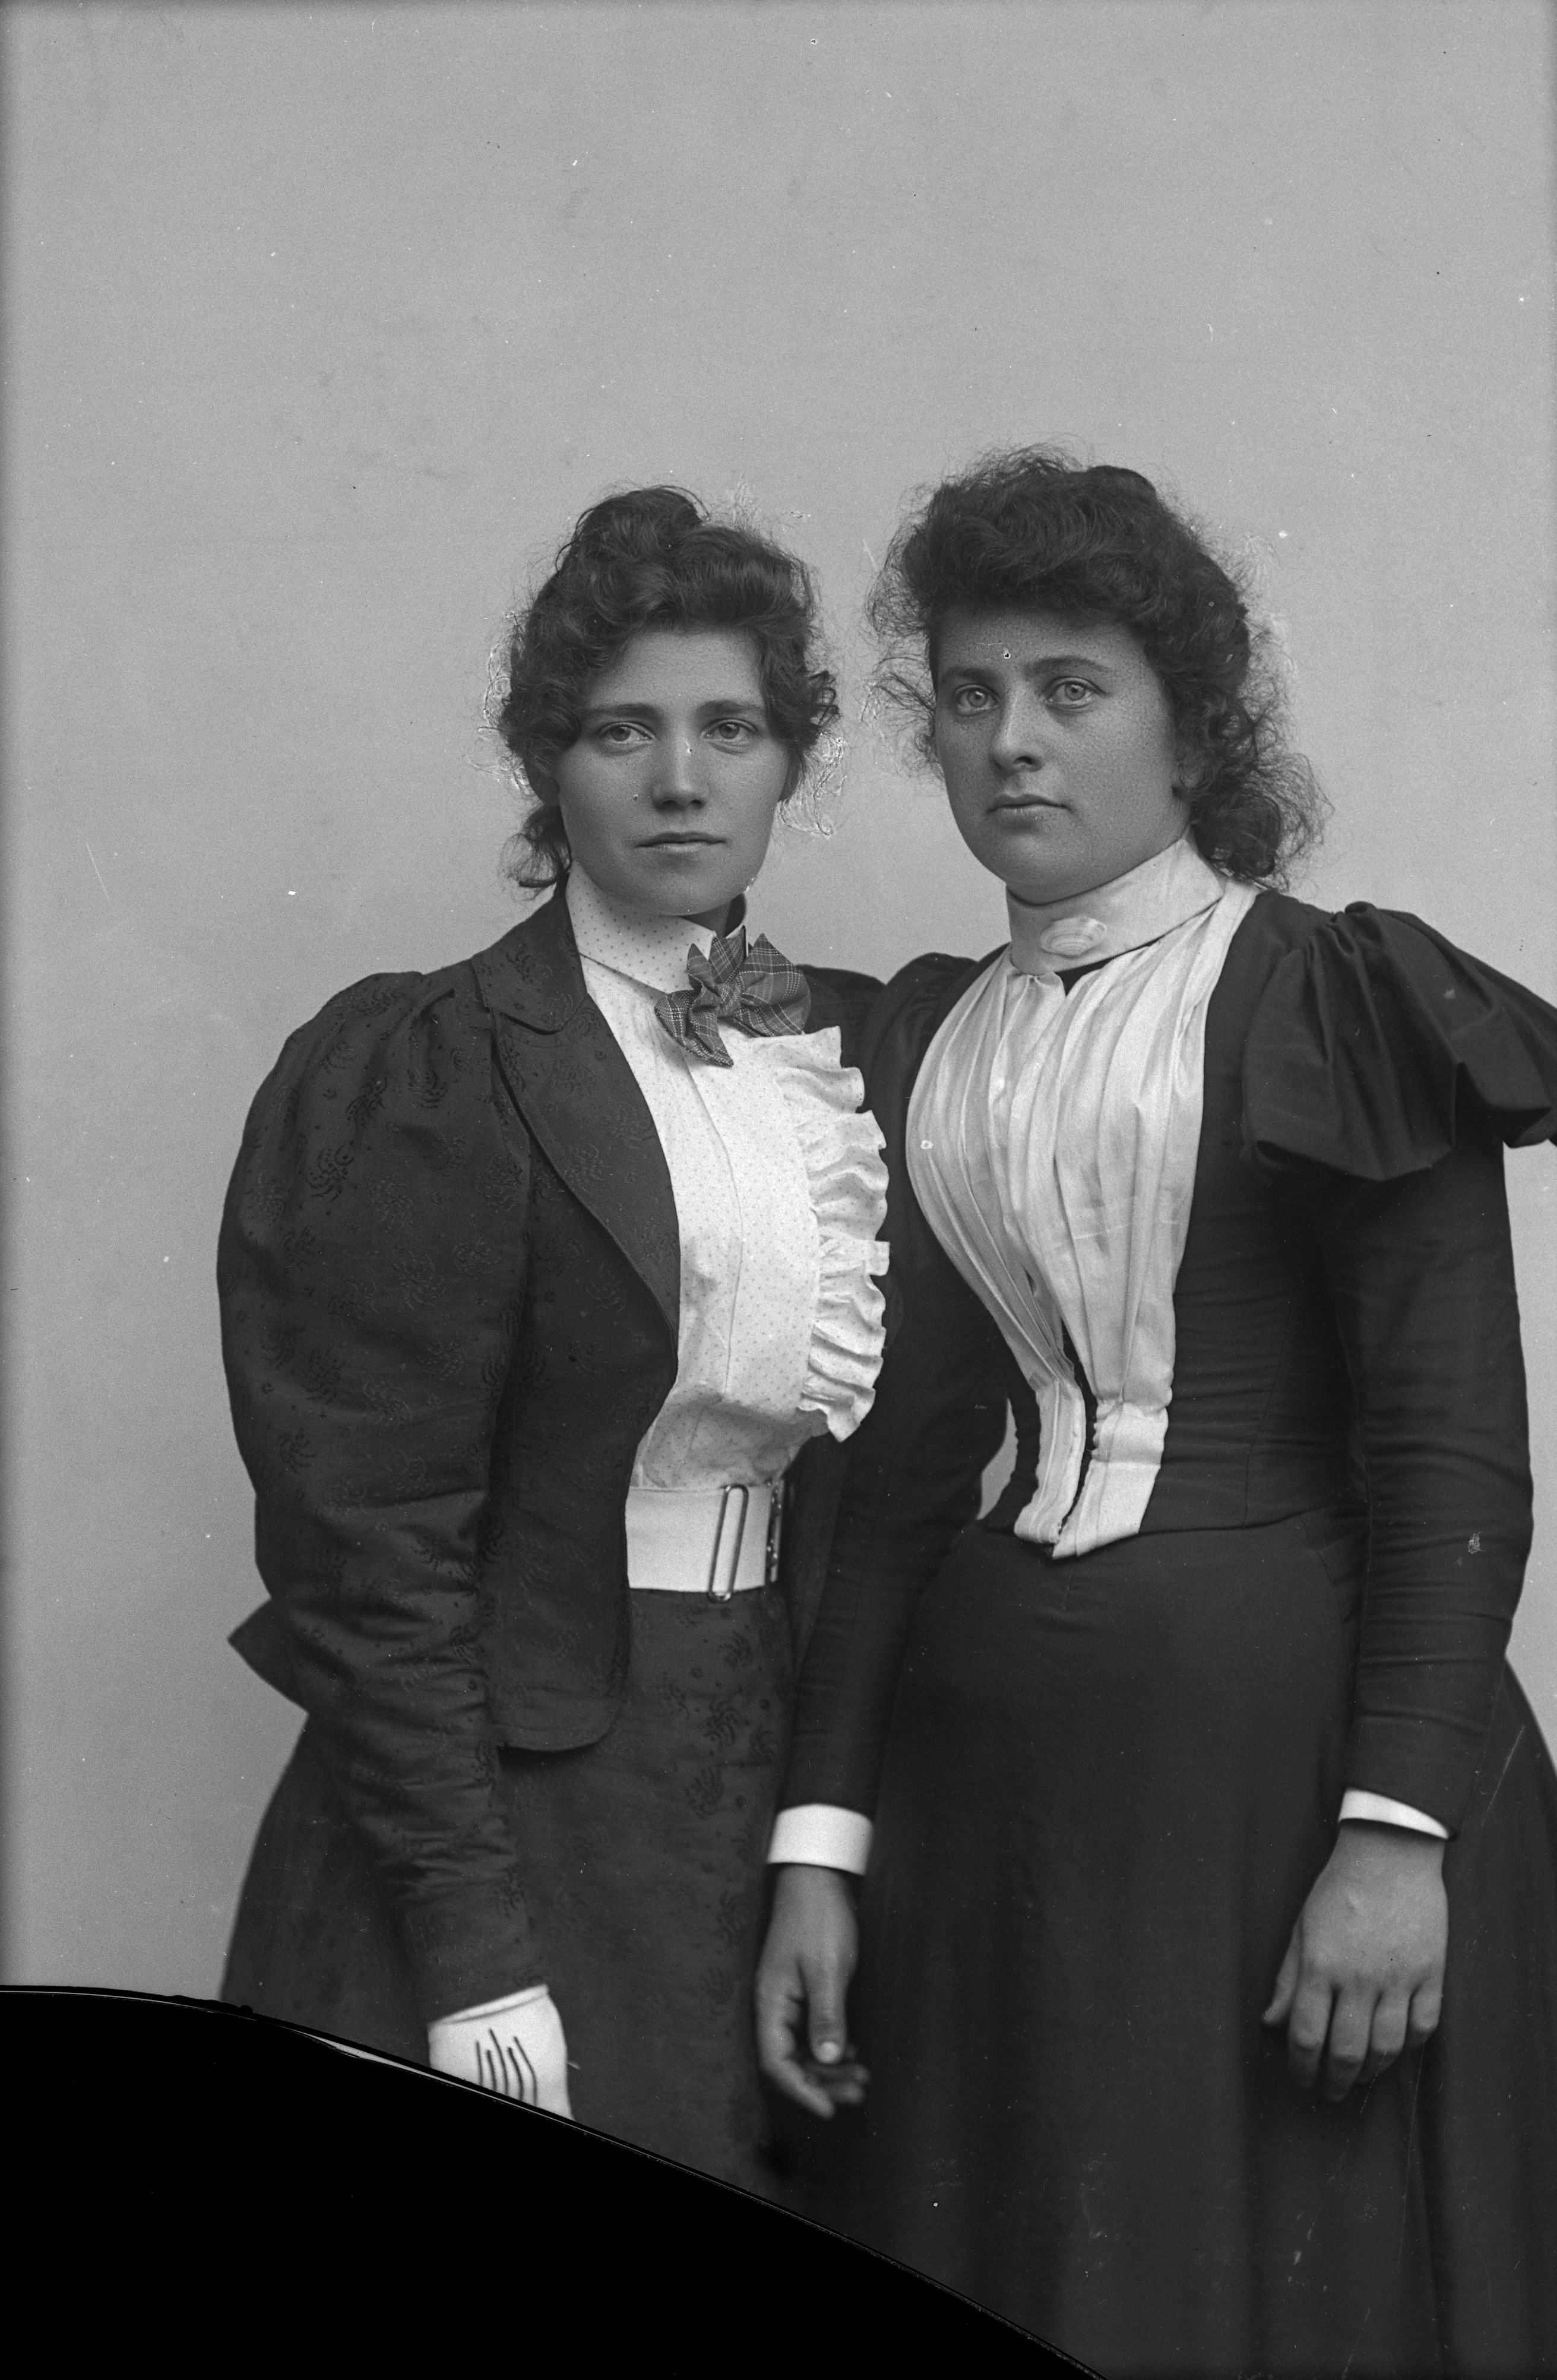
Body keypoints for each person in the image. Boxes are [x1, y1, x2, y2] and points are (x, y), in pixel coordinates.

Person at [755, 450, 1557, 2373]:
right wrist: (821, 1841)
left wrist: (1396, 1839)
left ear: (1194, 730)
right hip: (992, 1793)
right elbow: (893, 1480)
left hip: (1283, 1784)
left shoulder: (1329, 1000)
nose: (1010, 742)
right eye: (970, 696)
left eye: (1071, 689)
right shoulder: (931, 1039)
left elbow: (1452, 1455)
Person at [218, 486, 888, 2194]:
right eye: (621, 730)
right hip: (511, 1798)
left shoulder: (833, 1058)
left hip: (746, 1767)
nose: (681, 779)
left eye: (730, 727)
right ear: (547, 764)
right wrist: (471, 1962)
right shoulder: (435, 1064)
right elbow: (371, 1547)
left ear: (789, 759)